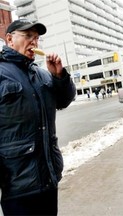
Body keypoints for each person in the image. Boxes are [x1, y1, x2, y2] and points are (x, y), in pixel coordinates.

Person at [0, 19, 76, 215]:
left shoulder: (42, 74)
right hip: (17, 184)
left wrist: (59, 77)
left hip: (48, 177)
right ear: (9, 39)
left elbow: (64, 101)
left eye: (36, 38)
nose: (34, 42)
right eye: (28, 36)